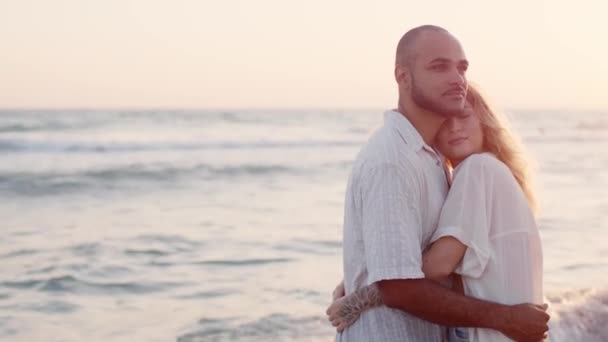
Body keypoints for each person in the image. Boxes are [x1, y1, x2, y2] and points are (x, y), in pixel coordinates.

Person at [329, 24, 549, 342]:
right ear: (402, 76)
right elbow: (402, 282)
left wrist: (360, 289)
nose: (456, 78)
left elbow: (430, 269)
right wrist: (362, 277)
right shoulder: (395, 160)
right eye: (439, 66)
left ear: (485, 123)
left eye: (461, 68)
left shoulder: (472, 171)